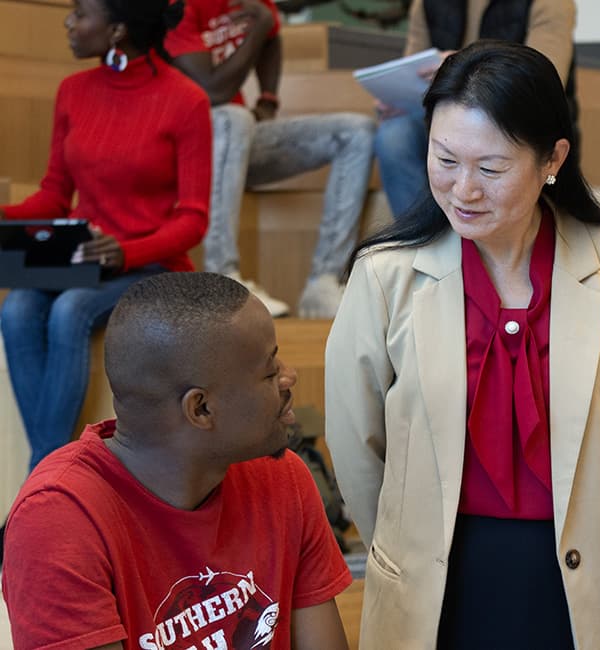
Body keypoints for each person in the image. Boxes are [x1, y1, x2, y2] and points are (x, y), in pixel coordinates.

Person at [325, 41, 600, 648]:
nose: (464, 189)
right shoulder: (385, 275)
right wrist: (406, 542)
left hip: (583, 585)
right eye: (444, 159)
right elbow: (358, 448)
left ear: (552, 159)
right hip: (436, 586)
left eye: (491, 168)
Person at [1, 272, 353, 650]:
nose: (290, 376)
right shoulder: (58, 519)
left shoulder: (282, 475)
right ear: (200, 409)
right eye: (270, 371)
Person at [0, 0, 210, 471]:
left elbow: (193, 219)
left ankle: (43, 474)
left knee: (70, 309)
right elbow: (55, 194)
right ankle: (54, 472)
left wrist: (126, 251)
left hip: (150, 264)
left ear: (116, 29)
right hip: (80, 259)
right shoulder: (73, 90)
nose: (68, 22)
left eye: (80, 13)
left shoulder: (186, 100)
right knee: (15, 308)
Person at [166, 0, 375, 318]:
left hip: (234, 146)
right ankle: (222, 279)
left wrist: (268, 99)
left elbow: (272, 37)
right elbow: (212, 91)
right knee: (234, 117)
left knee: (356, 131)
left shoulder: (255, 3)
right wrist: (259, 26)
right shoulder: (180, 6)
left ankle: (324, 282)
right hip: (179, 151)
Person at [374, 0, 577, 219]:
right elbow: (414, 69)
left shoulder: (551, 3)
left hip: (514, 117)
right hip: (448, 117)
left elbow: (544, 84)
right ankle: (418, 238)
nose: (464, 191)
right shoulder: (425, 4)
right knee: (393, 134)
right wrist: (400, 97)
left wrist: (458, 67)